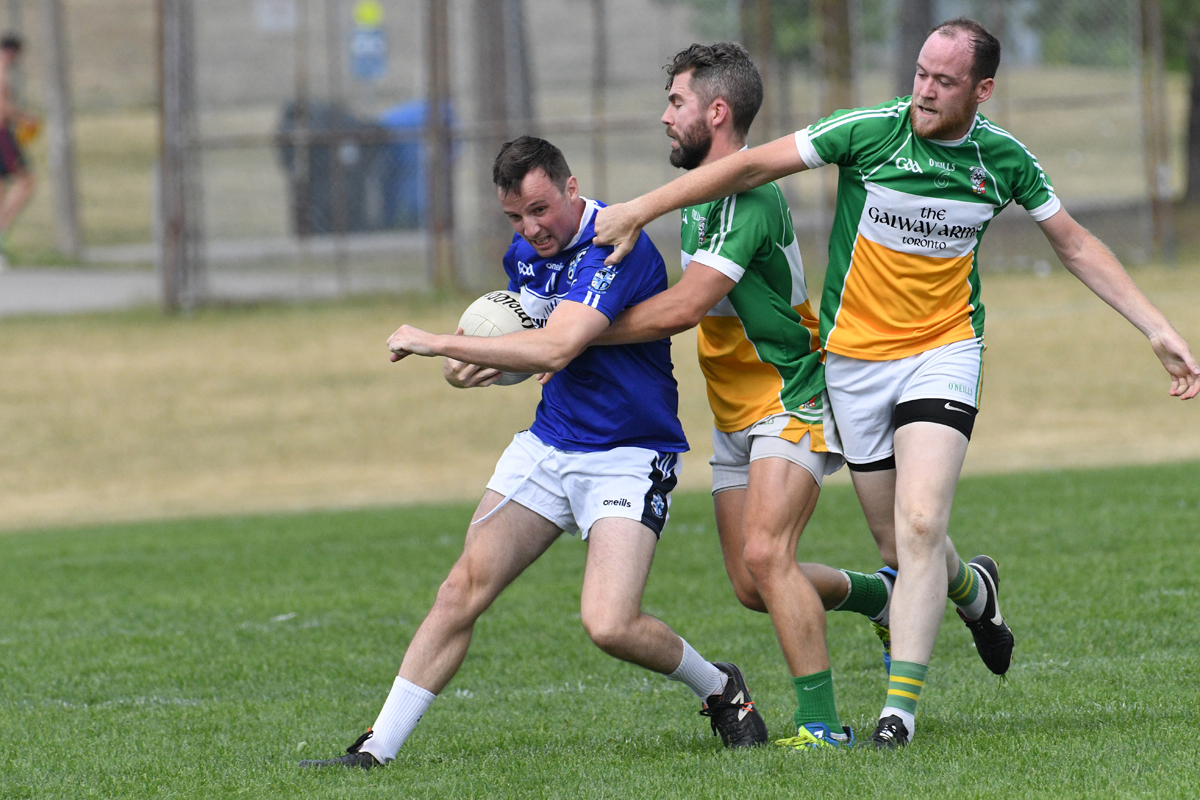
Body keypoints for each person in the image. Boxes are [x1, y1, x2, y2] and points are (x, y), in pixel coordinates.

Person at [593, 18, 1200, 750]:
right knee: (897, 536)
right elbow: (751, 167)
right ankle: (973, 591)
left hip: (945, 350)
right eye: (919, 73)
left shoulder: (1001, 160)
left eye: (944, 82)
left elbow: (1071, 241)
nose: (924, 91)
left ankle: (895, 717)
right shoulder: (870, 131)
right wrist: (640, 207)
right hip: (854, 363)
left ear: (983, 89)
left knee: (917, 524)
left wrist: (1156, 327)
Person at [299, 136, 769, 770]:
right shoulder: (523, 256)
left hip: (629, 453)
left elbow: (555, 346)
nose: (531, 229)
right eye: (515, 217)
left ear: (571, 188)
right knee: (461, 588)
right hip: (549, 445)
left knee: (610, 624)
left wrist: (438, 342)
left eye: (541, 209)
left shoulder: (614, 244)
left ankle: (718, 687)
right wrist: (471, 365)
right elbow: (528, 347)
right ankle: (376, 747)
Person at [592, 42, 900, 750]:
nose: (664, 116)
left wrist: (574, 337)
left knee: (768, 555)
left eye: (676, 102)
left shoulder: (746, 199)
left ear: (717, 111)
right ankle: (881, 594)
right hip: (735, 414)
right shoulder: (702, 196)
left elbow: (682, 309)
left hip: (790, 397)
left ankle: (822, 728)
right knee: (749, 583)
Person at [0, 32, 35, 269]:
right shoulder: (2, 72)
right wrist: (24, 117)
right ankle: (2, 229)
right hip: (2, 134)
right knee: (27, 181)